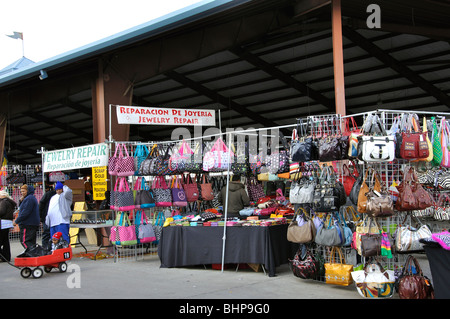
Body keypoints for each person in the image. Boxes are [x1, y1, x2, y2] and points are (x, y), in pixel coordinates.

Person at [13, 184, 40, 250]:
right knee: (31, 242)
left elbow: (25, 212)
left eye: (24, 191)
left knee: (25, 241)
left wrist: (17, 221)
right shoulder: (31, 198)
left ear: (28, 191)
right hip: (32, 223)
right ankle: (34, 254)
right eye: (21, 191)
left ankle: (32, 253)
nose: (22, 193)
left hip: (27, 224)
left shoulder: (29, 199)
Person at [0, 190, 17, 262]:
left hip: (2, 223)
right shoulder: (9, 202)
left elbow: (2, 211)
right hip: (7, 223)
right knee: (5, 241)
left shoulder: (3, 202)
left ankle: (3, 255)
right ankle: (6, 256)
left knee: (1, 240)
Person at [39, 183, 55, 250]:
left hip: (45, 216)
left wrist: (40, 216)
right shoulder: (58, 195)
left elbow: (41, 205)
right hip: (54, 217)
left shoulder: (47, 194)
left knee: (46, 233)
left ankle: (45, 248)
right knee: (53, 233)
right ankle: (52, 247)